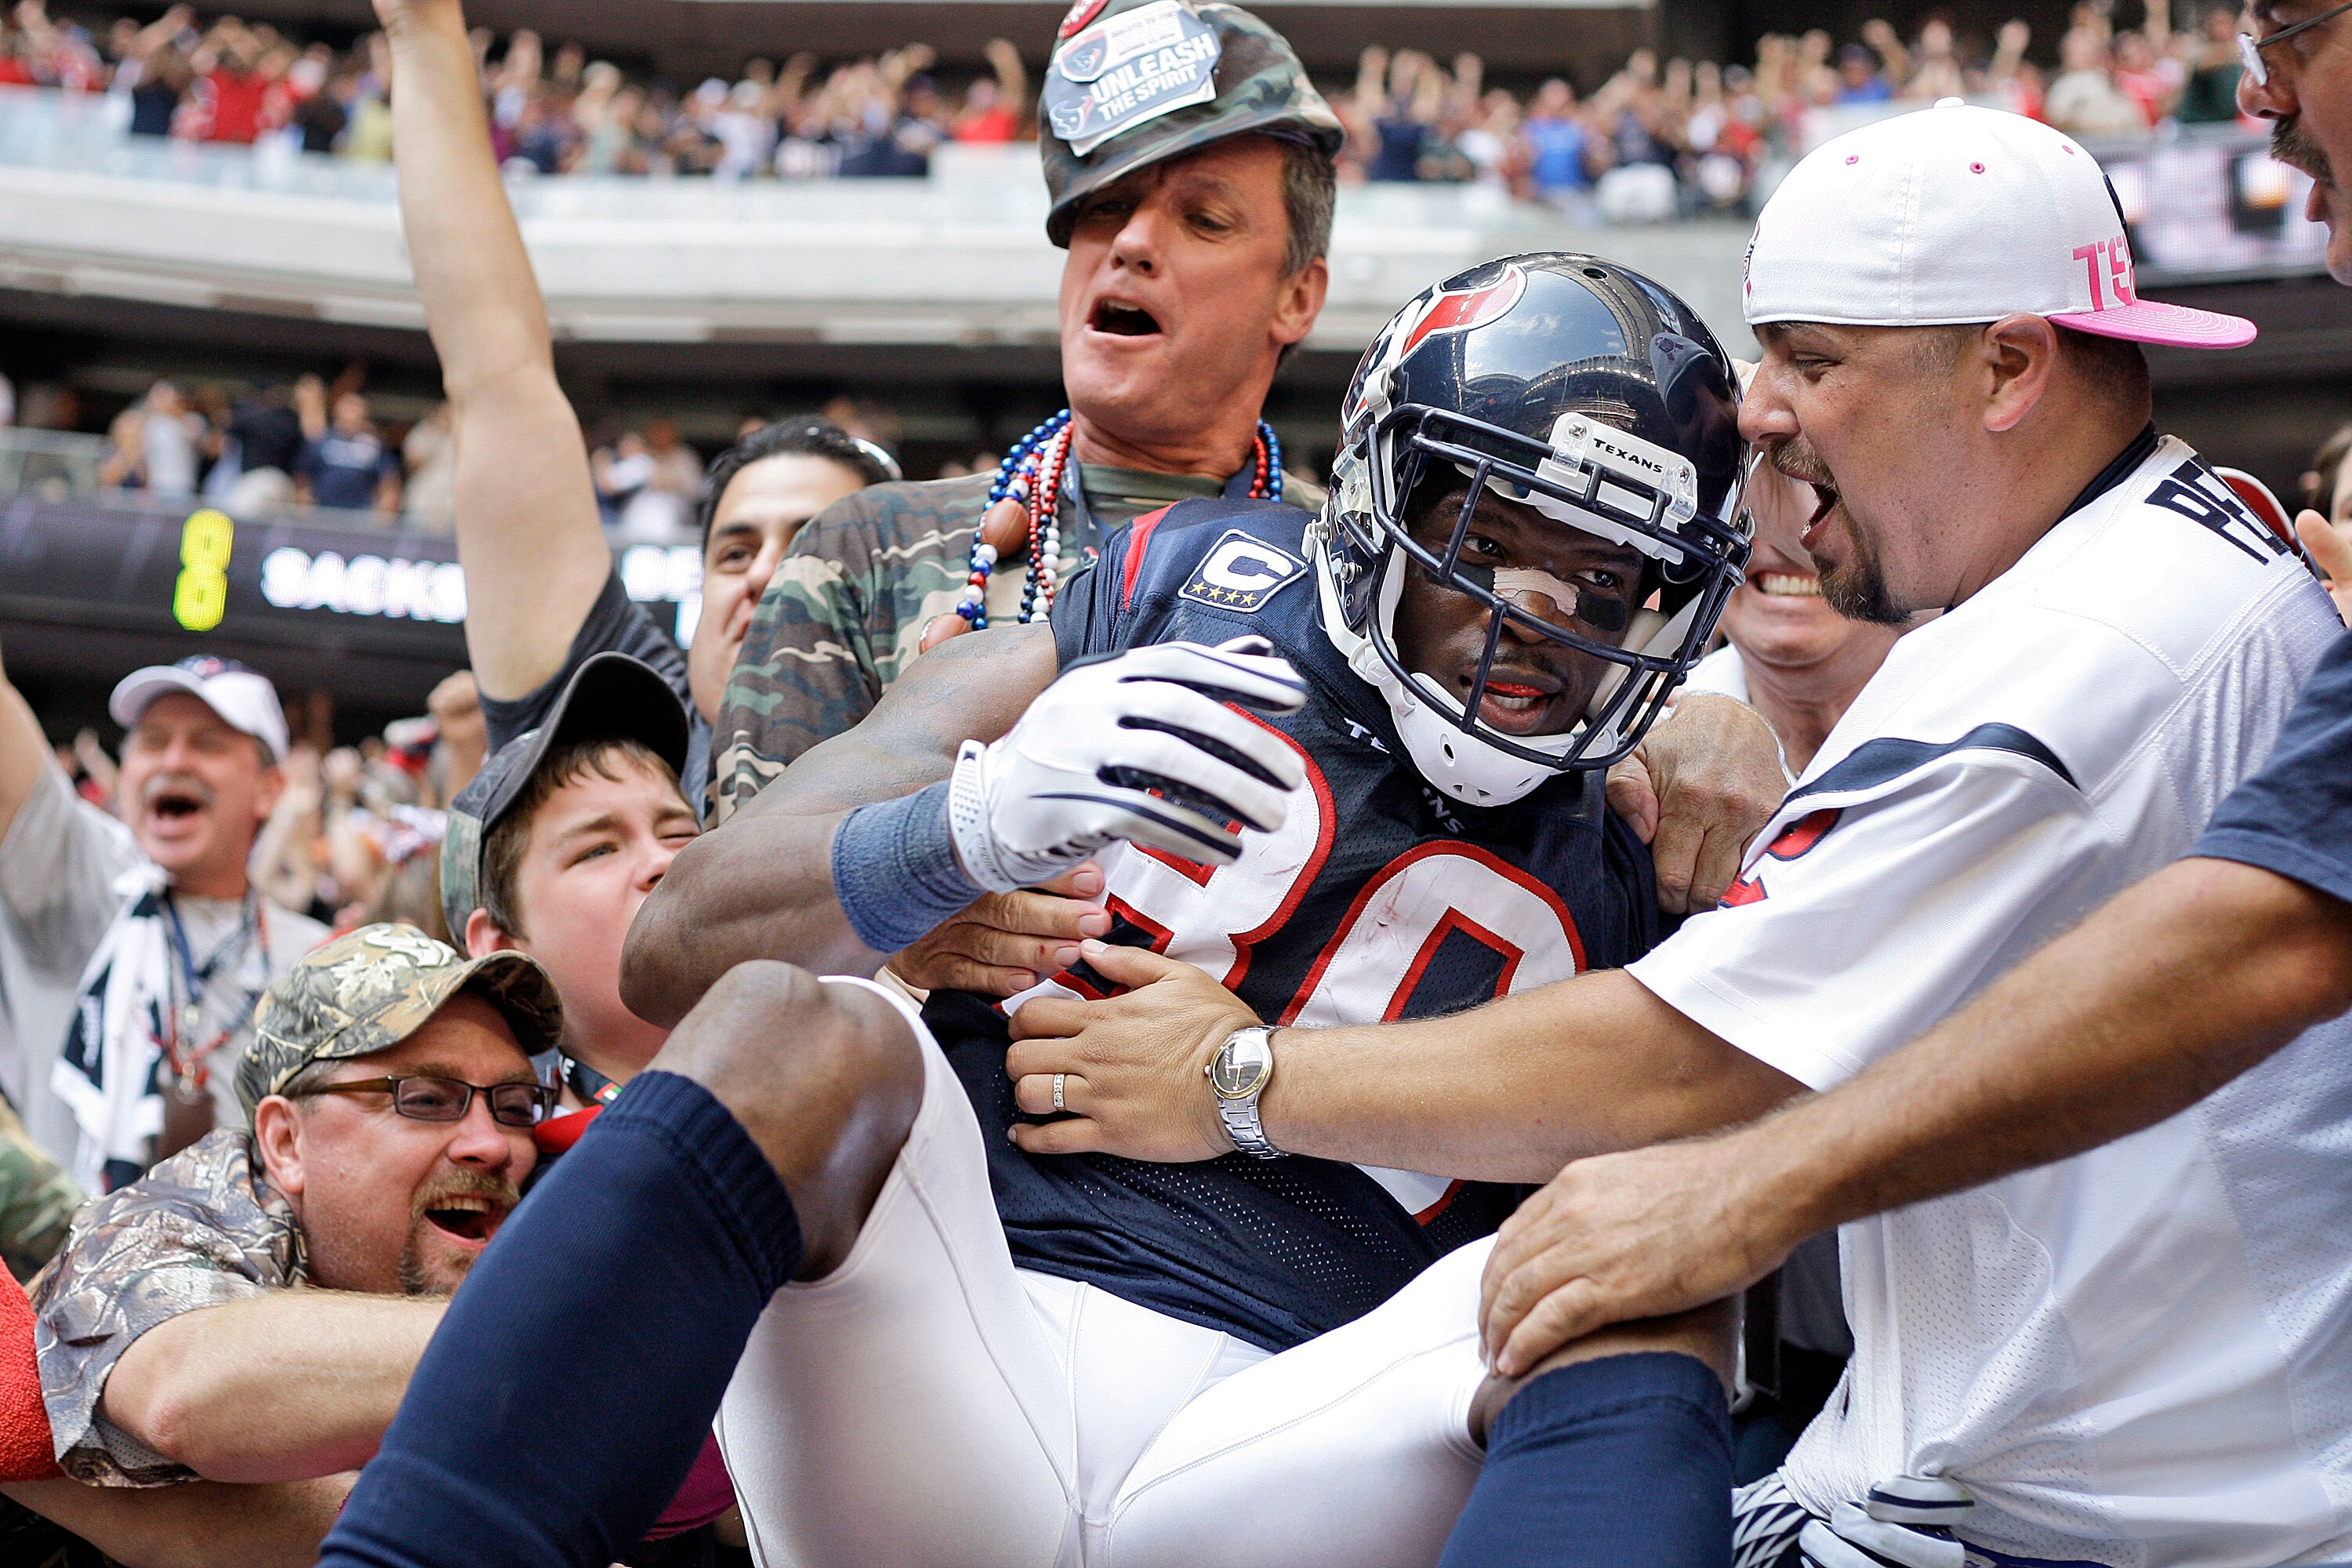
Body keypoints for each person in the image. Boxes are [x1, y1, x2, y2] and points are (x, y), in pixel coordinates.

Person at [1000, 104, 2347, 1566]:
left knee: (1630, 1261)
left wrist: (1241, 1076)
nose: (1762, 407)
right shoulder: (2179, 546)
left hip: (2103, 1524)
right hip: (2134, 1465)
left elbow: (1680, 1068)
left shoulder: (2068, 644)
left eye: (1814, 358)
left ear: (2011, 365)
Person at [305, 252, 1780, 1568]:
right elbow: (677, 943)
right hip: (954, 1355)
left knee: (1652, 1263)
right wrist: (954, 828)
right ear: (1390, 487)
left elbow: (1741, 1146)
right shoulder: (1165, 586)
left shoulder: (1660, 831)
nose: (1535, 617)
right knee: (789, 1025)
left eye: (1607, 579)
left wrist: (1254, 1088)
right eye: (1494, 530)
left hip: (1307, 1447)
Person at [709, 0, 1343, 818]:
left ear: (1297, 296)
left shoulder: (1354, 582)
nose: (1131, 243)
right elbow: (724, 912)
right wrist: (921, 899)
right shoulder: (864, 555)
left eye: (1204, 218)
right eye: (1104, 206)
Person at [376, 0, 894, 813]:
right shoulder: (628, 738)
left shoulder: (991, 807)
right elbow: (497, 373)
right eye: (733, 552)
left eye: (814, 548)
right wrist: (422, 26)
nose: (762, 573)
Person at [31, 924, 557, 1490]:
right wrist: (556, 1340)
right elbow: (183, 1394)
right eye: (426, 1099)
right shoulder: (165, 1222)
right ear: (285, 1143)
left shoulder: (550, 1212)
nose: (493, 1144)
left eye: (515, 1105)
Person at [0, 650, 326, 1185]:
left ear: (269, 788)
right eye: (152, 741)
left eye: (207, 744)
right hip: (60, 1263)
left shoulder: (317, 962)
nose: (174, 761)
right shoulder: (71, 883)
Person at [439, 653, 699, 1118]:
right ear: (505, 953)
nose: (663, 862)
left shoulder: (848, 1084)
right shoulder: (509, 1180)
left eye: (680, 834)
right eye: (598, 850)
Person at [295, 391, 402, 515]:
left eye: (356, 407)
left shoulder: (375, 445)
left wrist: (384, 515)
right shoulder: (320, 440)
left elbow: (390, 482)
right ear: (336, 412)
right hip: (321, 512)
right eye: (348, 406)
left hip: (360, 515)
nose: (352, 412)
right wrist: (304, 507)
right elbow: (302, 477)